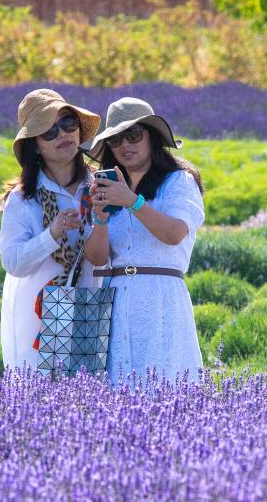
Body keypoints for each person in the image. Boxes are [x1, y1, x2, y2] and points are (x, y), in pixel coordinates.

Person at [82, 97, 205, 384]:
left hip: (161, 295)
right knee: (119, 388)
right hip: (117, 297)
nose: (125, 145)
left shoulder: (178, 181)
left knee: (165, 381)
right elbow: (98, 258)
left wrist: (132, 202)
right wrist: (99, 217)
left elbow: (174, 234)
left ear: (152, 137)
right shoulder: (111, 186)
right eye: (115, 140)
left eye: (134, 135)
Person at [0, 89, 103, 371]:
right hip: (38, 315)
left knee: (91, 399)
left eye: (69, 124)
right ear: (34, 145)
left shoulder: (101, 187)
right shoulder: (23, 200)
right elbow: (12, 263)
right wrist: (52, 234)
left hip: (94, 305)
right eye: (49, 131)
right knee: (39, 399)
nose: (63, 135)